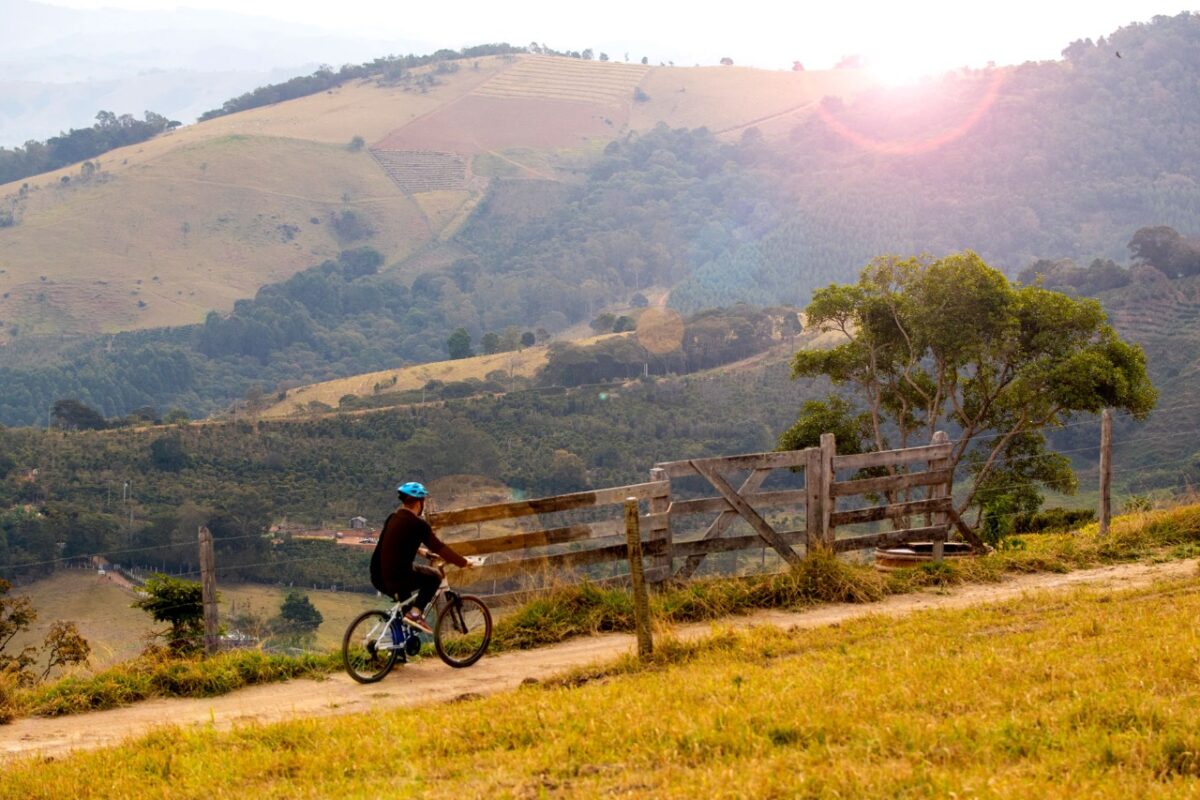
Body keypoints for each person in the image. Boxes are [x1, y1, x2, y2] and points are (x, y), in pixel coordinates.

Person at [369, 481, 470, 634]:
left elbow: (395, 542)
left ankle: (399, 649)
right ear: (419, 502)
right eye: (424, 501)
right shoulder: (419, 525)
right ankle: (416, 614)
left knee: (406, 612)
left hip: (379, 577)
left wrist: (422, 552)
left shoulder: (393, 518)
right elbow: (439, 547)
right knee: (434, 577)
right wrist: (463, 562)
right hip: (398, 578)